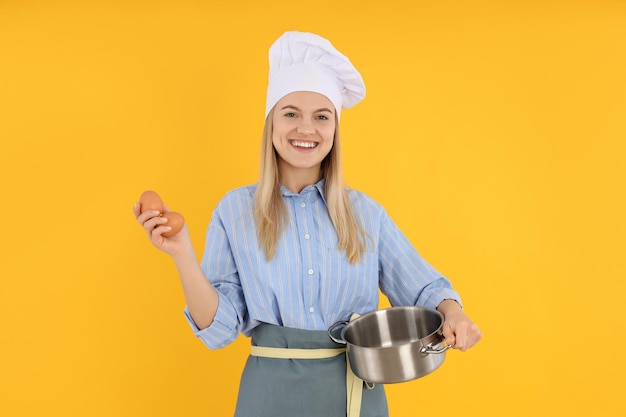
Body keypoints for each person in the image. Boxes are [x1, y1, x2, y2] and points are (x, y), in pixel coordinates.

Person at [134, 31, 482, 417]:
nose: (306, 129)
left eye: (321, 116)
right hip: (269, 398)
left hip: (354, 396)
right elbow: (218, 330)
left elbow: (424, 288)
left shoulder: (365, 215)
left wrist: (452, 311)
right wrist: (182, 253)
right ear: (271, 123)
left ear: (334, 129)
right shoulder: (234, 211)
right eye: (290, 114)